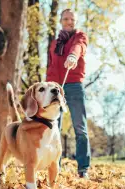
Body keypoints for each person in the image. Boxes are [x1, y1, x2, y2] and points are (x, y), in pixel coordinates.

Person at [46, 8, 91, 178]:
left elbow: (79, 47)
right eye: (65, 19)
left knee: (80, 128)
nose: (69, 22)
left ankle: (83, 169)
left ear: (75, 21)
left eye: (72, 19)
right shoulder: (54, 43)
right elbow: (51, 66)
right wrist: (48, 86)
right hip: (55, 87)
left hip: (73, 86)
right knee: (53, 128)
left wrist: (73, 56)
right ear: (61, 21)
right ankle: (54, 167)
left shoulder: (79, 36)